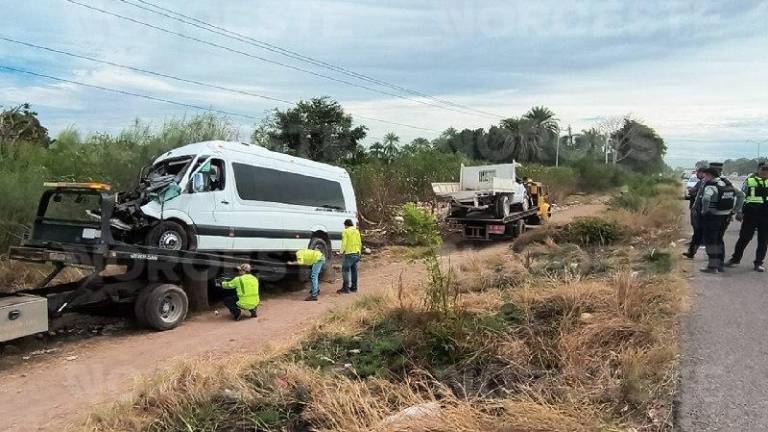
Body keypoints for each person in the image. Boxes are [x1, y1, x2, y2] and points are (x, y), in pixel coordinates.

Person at [698, 168, 743, 273]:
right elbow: (741, 195)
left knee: (711, 241)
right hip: (726, 216)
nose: (704, 179)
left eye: (705, 176)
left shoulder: (711, 186)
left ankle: (712, 267)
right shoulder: (727, 184)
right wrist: (734, 210)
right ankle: (720, 265)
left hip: (713, 217)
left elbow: (705, 199)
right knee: (719, 240)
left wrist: (704, 211)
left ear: (710, 175)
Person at [726, 163, 768, 272]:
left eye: (767, 170)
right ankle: (735, 259)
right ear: (758, 169)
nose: (765, 171)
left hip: (765, 215)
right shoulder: (750, 181)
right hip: (751, 214)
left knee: (763, 240)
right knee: (744, 238)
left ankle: (758, 263)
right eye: (763, 169)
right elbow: (742, 196)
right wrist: (739, 211)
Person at [683, 168, 705, 259]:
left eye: (699, 172)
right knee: (697, 230)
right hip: (698, 209)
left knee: (698, 230)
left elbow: (694, 192)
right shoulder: (701, 182)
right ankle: (692, 250)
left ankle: (695, 248)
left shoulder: (703, 183)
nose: (697, 174)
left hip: (699, 210)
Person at [337, 219, 362, 294]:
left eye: (344, 225)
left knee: (345, 270)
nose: (344, 227)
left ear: (346, 225)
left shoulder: (346, 231)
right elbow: (359, 242)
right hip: (357, 253)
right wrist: (359, 252)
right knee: (354, 270)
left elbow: (344, 243)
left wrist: (341, 252)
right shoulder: (356, 231)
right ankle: (354, 287)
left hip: (349, 254)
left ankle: (345, 288)